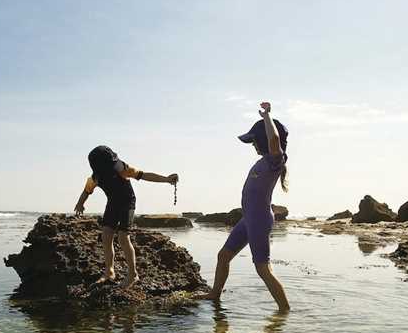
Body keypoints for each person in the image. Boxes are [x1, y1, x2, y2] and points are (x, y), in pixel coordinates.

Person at [200, 102, 290, 311]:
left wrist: (267, 116)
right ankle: (215, 294)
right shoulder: (262, 162)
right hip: (248, 219)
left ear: (263, 141)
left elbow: (274, 139)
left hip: (259, 220)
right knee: (223, 256)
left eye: (254, 142)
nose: (253, 146)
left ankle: (284, 311)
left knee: (262, 268)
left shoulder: (275, 161)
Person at [73, 145, 178, 288]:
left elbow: (144, 175)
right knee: (106, 235)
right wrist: (80, 204)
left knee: (123, 237)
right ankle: (109, 271)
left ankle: (133, 274)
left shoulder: (122, 168)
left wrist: (166, 179)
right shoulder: (95, 177)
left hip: (127, 202)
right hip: (112, 203)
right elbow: (86, 191)